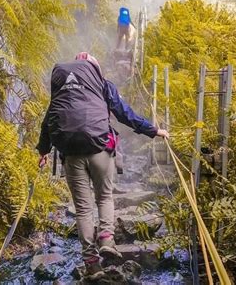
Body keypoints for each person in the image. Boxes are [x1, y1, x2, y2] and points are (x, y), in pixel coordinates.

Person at [36, 52, 169, 280]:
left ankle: (91, 264)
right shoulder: (101, 84)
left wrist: (43, 151)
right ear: (95, 69)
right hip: (100, 150)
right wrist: (154, 131)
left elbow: (48, 121)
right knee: (105, 197)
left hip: (71, 154)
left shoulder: (61, 91)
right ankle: (107, 238)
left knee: (83, 208)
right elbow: (124, 113)